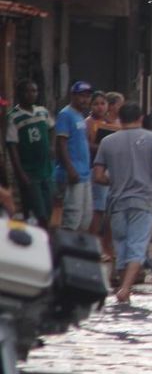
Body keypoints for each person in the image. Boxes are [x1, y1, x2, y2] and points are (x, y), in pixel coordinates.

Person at [93, 101, 152, 303]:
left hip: (116, 201)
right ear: (140, 118)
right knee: (137, 245)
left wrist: (114, 179)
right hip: (142, 199)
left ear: (120, 118)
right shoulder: (151, 138)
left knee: (121, 245)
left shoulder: (108, 141)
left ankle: (122, 284)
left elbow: (98, 176)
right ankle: (125, 289)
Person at [6, 79, 55, 228]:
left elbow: (52, 128)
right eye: (27, 91)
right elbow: (12, 146)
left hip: (46, 169)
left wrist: (52, 147)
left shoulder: (42, 111)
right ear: (19, 93)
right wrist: (20, 173)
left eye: (34, 91)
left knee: (49, 208)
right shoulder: (14, 116)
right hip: (29, 172)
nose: (31, 94)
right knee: (38, 212)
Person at [55, 81, 95, 232]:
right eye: (81, 96)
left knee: (86, 217)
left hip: (84, 173)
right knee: (73, 216)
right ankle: (65, 251)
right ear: (73, 96)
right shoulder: (66, 114)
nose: (85, 100)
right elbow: (61, 144)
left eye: (87, 96)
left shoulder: (79, 116)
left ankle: (78, 252)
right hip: (73, 172)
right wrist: (70, 168)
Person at [86, 90, 120, 260]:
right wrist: (104, 146)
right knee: (98, 211)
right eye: (96, 103)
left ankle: (108, 248)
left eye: (102, 103)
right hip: (96, 168)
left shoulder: (112, 123)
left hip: (111, 169)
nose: (100, 107)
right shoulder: (89, 123)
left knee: (110, 212)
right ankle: (93, 246)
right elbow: (87, 145)